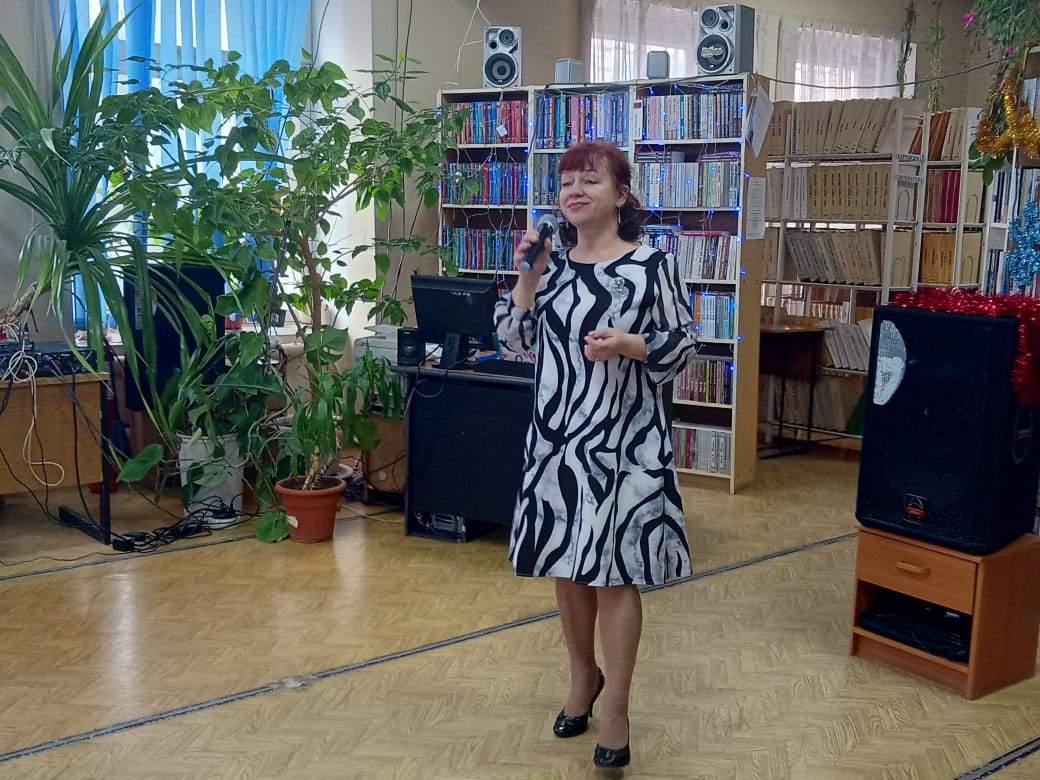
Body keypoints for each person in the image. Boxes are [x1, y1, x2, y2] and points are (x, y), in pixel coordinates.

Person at [493, 140, 697, 769]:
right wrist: (527, 275)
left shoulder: (652, 265)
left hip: (626, 442)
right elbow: (511, 339)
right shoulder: (548, 266)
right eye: (566, 183)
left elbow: (684, 345)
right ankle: (583, 677)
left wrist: (630, 344)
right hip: (557, 440)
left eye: (590, 180)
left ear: (621, 194)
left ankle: (617, 709)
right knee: (568, 564)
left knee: (614, 574)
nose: (574, 192)